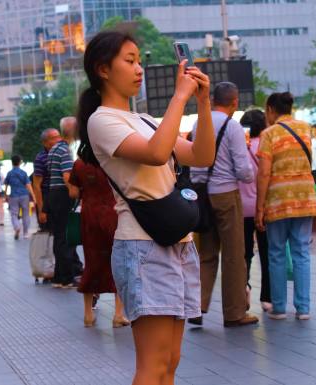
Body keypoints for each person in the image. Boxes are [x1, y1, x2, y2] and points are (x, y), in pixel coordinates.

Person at [80, 31, 215, 383]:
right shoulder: (102, 120)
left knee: (170, 362)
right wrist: (179, 97)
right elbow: (157, 154)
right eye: (129, 60)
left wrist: (202, 102)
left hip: (179, 244)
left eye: (140, 60)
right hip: (143, 248)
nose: (139, 68)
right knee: (152, 365)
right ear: (103, 70)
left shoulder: (148, 120)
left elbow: (202, 156)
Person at [189, 82, 258, 328]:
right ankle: (234, 313)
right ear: (235, 102)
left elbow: (194, 162)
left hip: (203, 196)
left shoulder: (199, 124)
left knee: (207, 255)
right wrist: (251, 174)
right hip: (227, 196)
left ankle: (197, 307)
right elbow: (243, 170)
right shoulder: (233, 127)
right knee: (233, 256)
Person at [256, 92, 316, 320]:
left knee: (276, 253)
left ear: (271, 109)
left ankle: (280, 308)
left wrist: (259, 208)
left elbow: (263, 173)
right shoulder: (306, 129)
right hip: (304, 196)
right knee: (302, 252)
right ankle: (303, 309)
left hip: (278, 199)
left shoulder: (269, 134)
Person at [68, 157, 130, 328]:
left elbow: (72, 193)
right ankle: (118, 315)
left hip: (89, 215)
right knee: (118, 262)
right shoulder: (113, 160)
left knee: (92, 262)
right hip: (113, 213)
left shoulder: (79, 163)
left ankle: (88, 314)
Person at [238, 110, 272, 312]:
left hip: (241, 209)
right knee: (268, 253)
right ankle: (267, 298)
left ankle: (244, 287)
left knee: (245, 254)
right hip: (265, 208)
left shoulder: (241, 148)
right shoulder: (267, 147)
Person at [47, 121, 81, 289]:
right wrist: (74, 192)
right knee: (66, 236)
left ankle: (59, 277)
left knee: (59, 236)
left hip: (53, 195)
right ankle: (67, 277)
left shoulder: (54, 149)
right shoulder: (65, 150)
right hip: (62, 195)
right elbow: (67, 176)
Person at [33, 129, 61, 231]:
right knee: (50, 233)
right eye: (54, 138)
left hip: (60, 199)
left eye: (59, 136)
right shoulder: (41, 158)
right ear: (45, 142)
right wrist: (41, 210)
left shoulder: (62, 154)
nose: (59, 140)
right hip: (47, 200)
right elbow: (36, 185)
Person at [4, 155, 35, 240]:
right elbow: (28, 185)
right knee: (26, 214)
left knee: (14, 214)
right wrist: (33, 195)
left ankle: (17, 227)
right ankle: (25, 233)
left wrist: (6, 195)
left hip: (13, 196)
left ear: (12, 162)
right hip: (24, 195)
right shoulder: (23, 173)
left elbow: (6, 185)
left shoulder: (9, 173)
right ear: (20, 162)